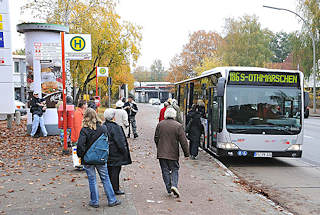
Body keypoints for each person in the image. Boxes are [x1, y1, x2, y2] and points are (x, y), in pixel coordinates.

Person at [76, 108, 121, 208]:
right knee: (105, 179)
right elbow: (107, 142)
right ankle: (112, 200)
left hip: (88, 159)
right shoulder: (103, 128)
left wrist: (81, 155)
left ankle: (94, 201)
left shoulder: (84, 130)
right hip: (101, 158)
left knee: (92, 180)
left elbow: (80, 145)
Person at [154, 108, 189, 198]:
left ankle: (169, 188)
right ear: (174, 115)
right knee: (175, 169)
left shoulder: (160, 124)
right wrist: (186, 154)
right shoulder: (178, 126)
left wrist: (159, 147)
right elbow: (183, 141)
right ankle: (174, 185)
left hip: (162, 153)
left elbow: (156, 138)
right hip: (173, 153)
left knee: (165, 170)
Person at [104, 108, 132, 195]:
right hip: (115, 154)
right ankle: (115, 189)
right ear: (113, 117)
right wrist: (124, 152)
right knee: (115, 171)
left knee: (108, 171)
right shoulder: (116, 128)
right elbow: (120, 142)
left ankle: (108, 188)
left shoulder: (103, 126)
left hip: (106, 153)